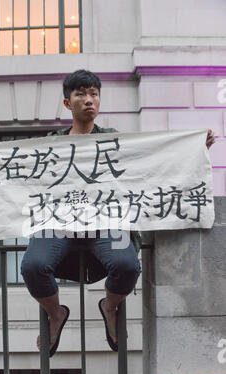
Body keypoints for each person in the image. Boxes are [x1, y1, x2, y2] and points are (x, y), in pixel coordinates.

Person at [20, 69, 215, 357]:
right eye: (81, 94)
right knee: (33, 265)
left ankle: (109, 307)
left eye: (94, 94)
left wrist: (193, 147)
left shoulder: (115, 140)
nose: (89, 100)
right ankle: (56, 314)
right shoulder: (53, 142)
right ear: (67, 103)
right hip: (59, 224)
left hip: (107, 224)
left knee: (126, 265)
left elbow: (153, 158)